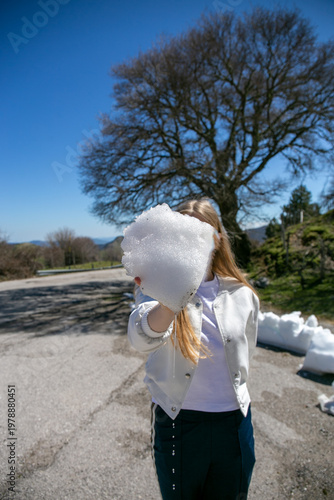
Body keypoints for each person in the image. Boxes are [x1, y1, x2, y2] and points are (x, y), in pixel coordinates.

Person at [127, 199, 259, 500]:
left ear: (218, 237)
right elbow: (142, 338)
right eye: (183, 231)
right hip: (179, 423)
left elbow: (247, 351)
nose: (193, 238)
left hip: (234, 423)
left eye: (202, 230)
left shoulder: (242, 294)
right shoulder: (155, 287)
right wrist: (171, 302)